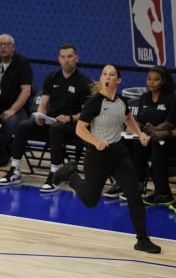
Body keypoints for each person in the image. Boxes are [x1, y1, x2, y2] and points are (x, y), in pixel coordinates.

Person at [52, 64, 161, 254]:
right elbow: (80, 129)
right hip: (97, 155)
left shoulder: (122, 102)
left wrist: (140, 134)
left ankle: (142, 240)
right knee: (90, 200)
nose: (107, 77)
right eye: (104, 74)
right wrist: (96, 141)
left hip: (118, 153)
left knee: (134, 194)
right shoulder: (94, 102)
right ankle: (71, 176)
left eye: (112, 75)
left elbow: (128, 119)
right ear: (101, 79)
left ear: (118, 80)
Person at [0, 43, 92, 192]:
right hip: (52, 122)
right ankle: (15, 170)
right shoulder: (52, 78)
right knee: (23, 126)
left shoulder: (84, 82)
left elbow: (87, 113)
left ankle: (55, 173)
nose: (66, 60)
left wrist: (70, 118)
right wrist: (40, 115)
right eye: (63, 57)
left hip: (73, 126)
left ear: (76, 59)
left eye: (70, 57)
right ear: (58, 59)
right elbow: (43, 103)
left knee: (56, 128)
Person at [0, 34, 34, 165]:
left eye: (6, 44)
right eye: (0, 44)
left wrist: (12, 110)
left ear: (13, 47)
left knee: (10, 121)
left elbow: (26, 91)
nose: (3, 47)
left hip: (17, 108)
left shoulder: (22, 63)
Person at [134, 66, 176, 206]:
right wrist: (139, 129)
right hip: (150, 136)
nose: (151, 82)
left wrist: (155, 130)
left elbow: (170, 123)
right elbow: (139, 121)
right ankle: (137, 185)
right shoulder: (144, 97)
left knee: (157, 143)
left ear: (163, 81)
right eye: (149, 79)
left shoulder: (171, 98)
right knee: (137, 142)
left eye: (156, 80)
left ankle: (163, 193)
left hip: (169, 139)